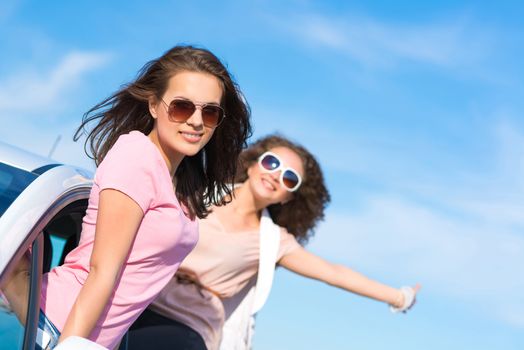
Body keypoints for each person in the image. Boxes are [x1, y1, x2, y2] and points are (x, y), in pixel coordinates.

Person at [0, 45, 251, 349]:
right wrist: (70, 344)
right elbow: (103, 270)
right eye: (182, 107)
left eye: (210, 112)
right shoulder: (137, 158)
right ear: (154, 106)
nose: (197, 121)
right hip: (59, 326)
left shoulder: (179, 182)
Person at [127, 134, 420, 350]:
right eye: (272, 163)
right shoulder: (197, 191)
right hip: (138, 295)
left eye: (289, 178)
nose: (276, 175)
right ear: (253, 164)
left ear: (288, 196)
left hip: (187, 324)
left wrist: (399, 297)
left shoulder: (273, 241)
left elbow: (334, 274)